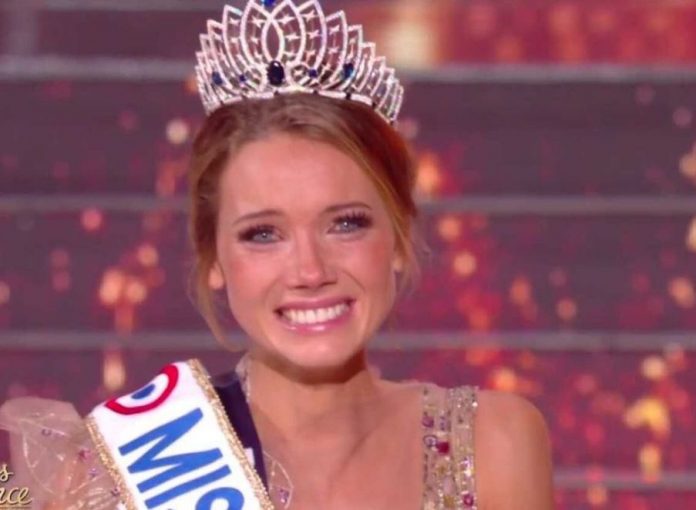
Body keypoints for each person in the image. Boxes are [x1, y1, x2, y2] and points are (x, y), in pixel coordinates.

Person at [0, 0, 554, 509]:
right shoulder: (105, 473)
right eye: (263, 234)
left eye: (346, 224)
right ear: (213, 260)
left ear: (398, 239)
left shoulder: (494, 443)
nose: (310, 271)